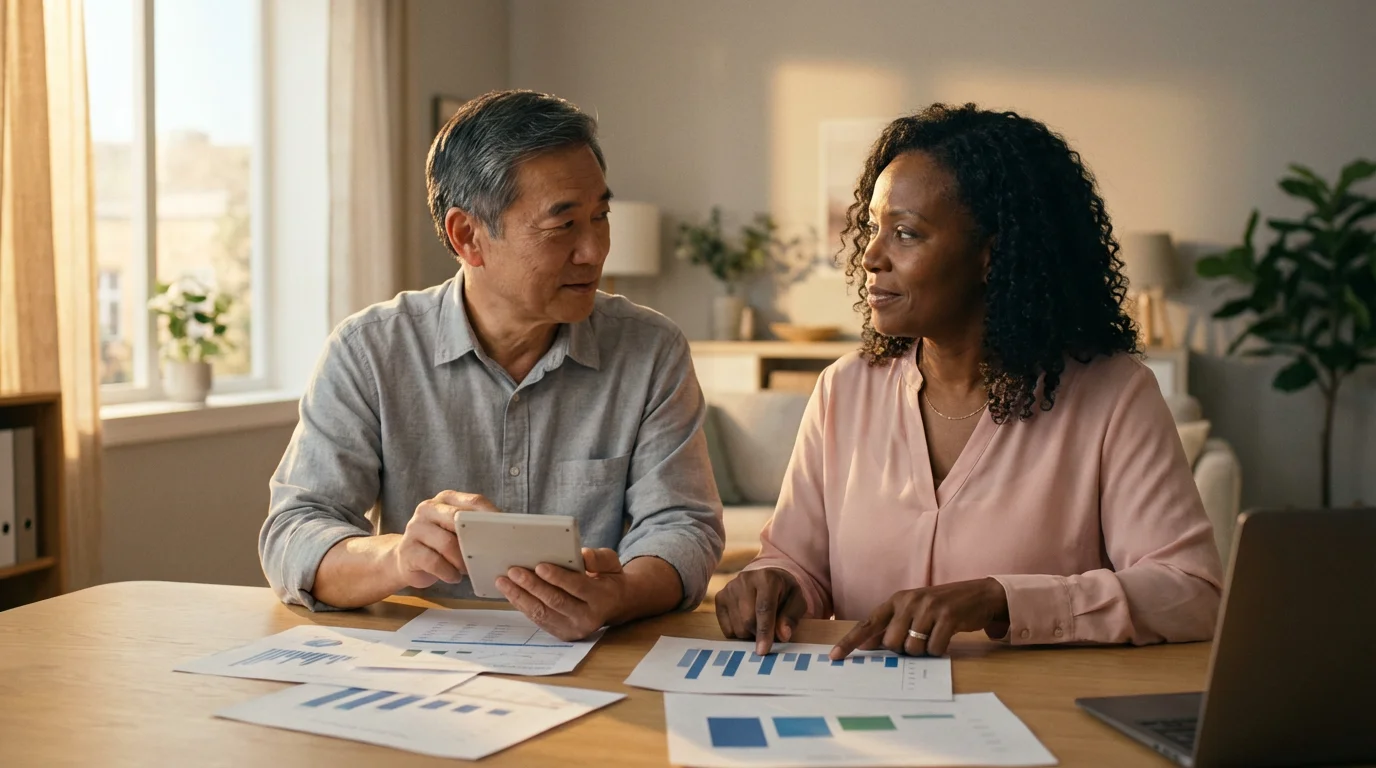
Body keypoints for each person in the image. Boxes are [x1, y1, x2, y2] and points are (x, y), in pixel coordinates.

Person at [716, 103, 1223, 659]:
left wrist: (1002, 601)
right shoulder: (845, 390)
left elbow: (1191, 592)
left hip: (1039, 724)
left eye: (906, 234)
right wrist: (774, 585)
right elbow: (797, 565)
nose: (871, 256)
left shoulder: (1113, 395)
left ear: (992, 254)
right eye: (872, 229)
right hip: (864, 722)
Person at [260, 90, 724, 640]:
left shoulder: (650, 350)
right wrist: (397, 559)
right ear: (468, 236)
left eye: (600, 216)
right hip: (420, 671)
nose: (594, 250)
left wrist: (619, 594)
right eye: (562, 226)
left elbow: (683, 528)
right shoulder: (369, 351)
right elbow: (293, 533)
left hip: (598, 662)